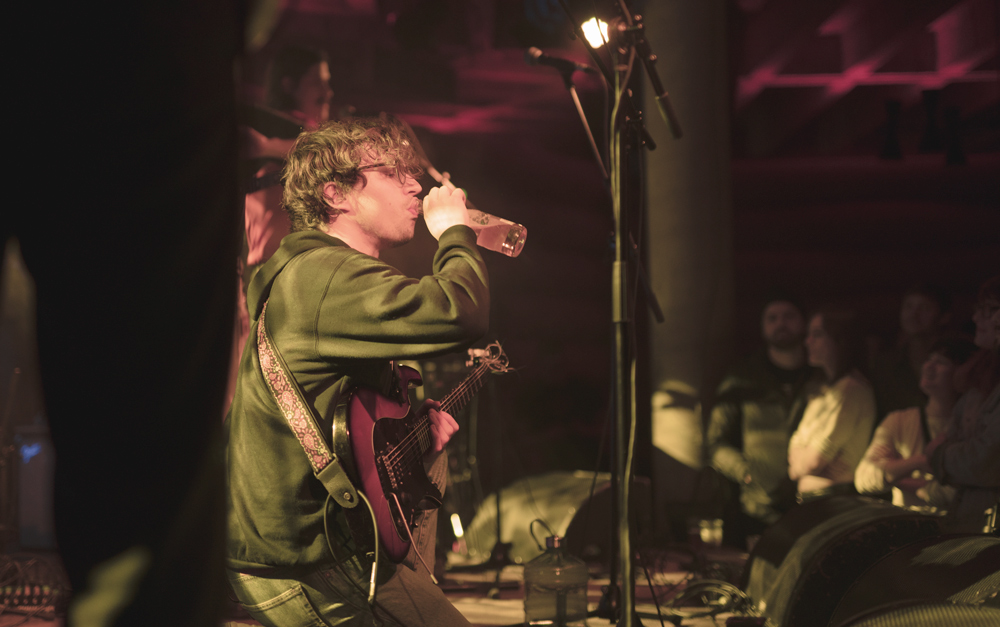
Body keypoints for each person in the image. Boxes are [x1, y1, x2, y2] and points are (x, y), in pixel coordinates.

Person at [225, 117, 489, 626]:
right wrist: (456, 233)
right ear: (337, 194)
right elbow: (462, 310)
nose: (416, 185)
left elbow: (344, 418)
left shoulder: (322, 273)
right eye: (393, 174)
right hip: (306, 563)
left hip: (319, 547)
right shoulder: (323, 276)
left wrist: (407, 441)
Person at [707, 296, 818, 546]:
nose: (781, 324)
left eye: (789, 316)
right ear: (761, 326)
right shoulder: (742, 378)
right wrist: (747, 472)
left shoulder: (821, 374)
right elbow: (715, 443)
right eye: (772, 318)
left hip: (816, 506)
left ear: (804, 323)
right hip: (759, 510)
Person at [917, 276, 1000, 533]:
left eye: (988, 310)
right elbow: (954, 438)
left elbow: (987, 461)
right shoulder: (980, 381)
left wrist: (940, 455)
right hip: (973, 527)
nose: (977, 319)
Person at [855, 338, 977, 509]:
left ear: (962, 374)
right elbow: (864, 478)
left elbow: (958, 493)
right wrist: (920, 461)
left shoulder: (973, 426)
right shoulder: (899, 420)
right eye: (929, 359)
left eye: (941, 362)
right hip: (907, 528)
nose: (929, 366)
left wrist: (898, 477)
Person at [788, 309, 877, 500]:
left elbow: (813, 461)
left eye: (817, 334)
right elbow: (795, 440)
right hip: (816, 501)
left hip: (836, 501)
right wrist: (802, 460)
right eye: (808, 334)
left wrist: (799, 464)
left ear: (840, 340)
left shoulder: (852, 389)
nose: (807, 341)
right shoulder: (822, 391)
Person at [870, 284, 951, 421]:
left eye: (925, 308)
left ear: (944, 317)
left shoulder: (954, 363)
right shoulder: (884, 364)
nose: (914, 314)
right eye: (908, 307)